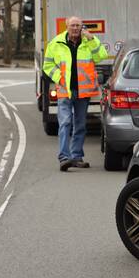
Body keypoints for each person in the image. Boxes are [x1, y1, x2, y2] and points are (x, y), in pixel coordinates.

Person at [43, 16, 108, 171]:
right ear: (67, 26)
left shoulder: (88, 42)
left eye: (78, 25)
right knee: (65, 122)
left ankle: (76, 156)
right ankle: (64, 158)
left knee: (80, 125)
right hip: (65, 90)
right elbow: (47, 64)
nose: (75, 28)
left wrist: (92, 39)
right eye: (72, 25)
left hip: (83, 91)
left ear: (82, 27)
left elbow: (102, 56)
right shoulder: (56, 42)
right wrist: (59, 77)